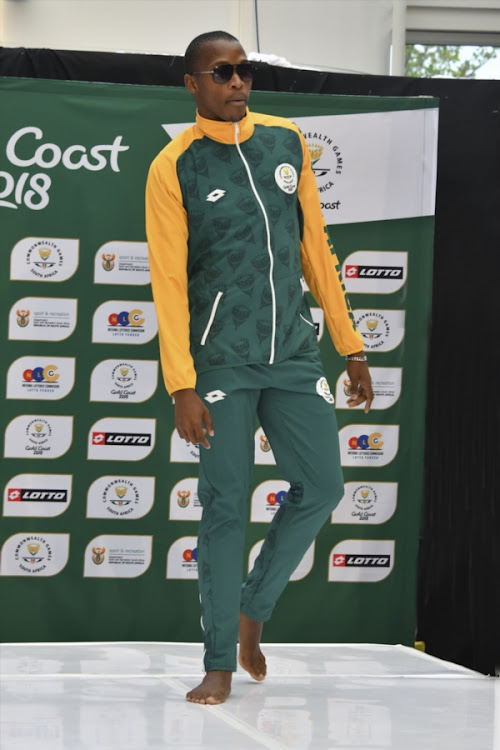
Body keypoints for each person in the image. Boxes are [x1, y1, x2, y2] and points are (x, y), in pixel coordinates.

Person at [145, 30, 373, 705]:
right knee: (224, 510)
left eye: (245, 71)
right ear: (193, 85)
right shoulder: (174, 165)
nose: (238, 83)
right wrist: (181, 383)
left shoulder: (285, 141)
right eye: (222, 72)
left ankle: (253, 608)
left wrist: (350, 343)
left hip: (295, 355)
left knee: (323, 487)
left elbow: (315, 248)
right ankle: (219, 660)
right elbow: (168, 281)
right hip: (221, 361)